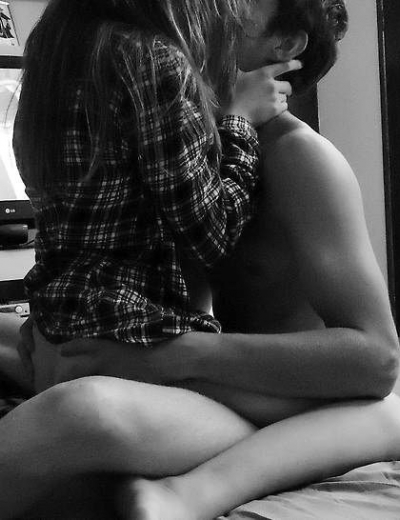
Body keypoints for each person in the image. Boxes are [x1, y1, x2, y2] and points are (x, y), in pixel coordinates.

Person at [1, 0, 400, 519]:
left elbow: (378, 359)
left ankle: (191, 494)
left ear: (283, 45)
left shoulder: (299, 157)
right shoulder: (172, 136)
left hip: (268, 385)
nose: (215, 6)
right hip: (180, 376)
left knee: (386, 416)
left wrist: (176, 356)